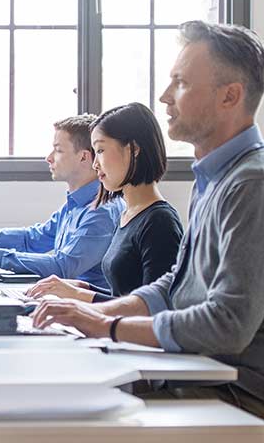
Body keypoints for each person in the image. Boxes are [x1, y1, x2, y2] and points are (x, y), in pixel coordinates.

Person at [32, 21, 264, 443]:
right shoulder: (217, 179)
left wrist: (108, 327)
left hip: (250, 397)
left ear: (230, 95)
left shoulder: (256, 185)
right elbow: (175, 285)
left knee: (63, 420)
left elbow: (226, 325)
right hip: (207, 372)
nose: (166, 97)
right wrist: (98, 315)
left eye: (181, 83)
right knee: (54, 392)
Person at [0, 114, 120, 283]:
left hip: (87, 313)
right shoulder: (75, 205)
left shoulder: (101, 212)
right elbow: (31, 239)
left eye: (58, 150)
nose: (49, 158)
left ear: (84, 157)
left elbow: (62, 266)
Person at [25, 102, 182, 301]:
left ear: (133, 149)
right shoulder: (128, 214)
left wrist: (80, 295)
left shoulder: (160, 222)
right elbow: (126, 295)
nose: (95, 164)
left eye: (100, 151)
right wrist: (82, 288)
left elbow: (154, 310)